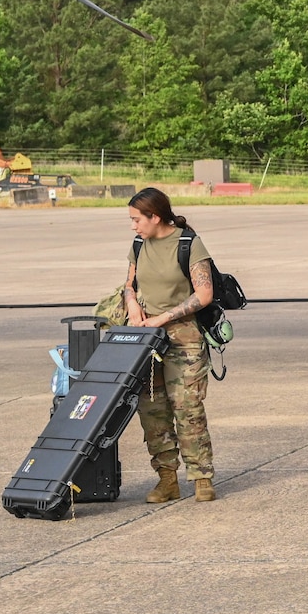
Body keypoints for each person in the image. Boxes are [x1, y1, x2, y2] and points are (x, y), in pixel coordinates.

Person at [121, 187, 219, 503]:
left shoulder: (189, 244)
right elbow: (129, 284)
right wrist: (133, 305)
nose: (134, 226)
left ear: (156, 216)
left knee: (188, 409)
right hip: (147, 340)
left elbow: (204, 294)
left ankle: (201, 478)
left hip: (184, 340)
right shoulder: (138, 245)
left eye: (137, 220)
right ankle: (167, 479)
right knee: (152, 410)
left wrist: (164, 317)